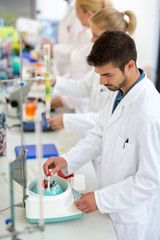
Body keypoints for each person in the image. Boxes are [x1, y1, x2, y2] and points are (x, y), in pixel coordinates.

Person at [43, 30, 160, 240]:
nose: (102, 82)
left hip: (132, 220)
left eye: (107, 75)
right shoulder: (119, 91)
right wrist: (66, 160)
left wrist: (100, 199)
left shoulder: (149, 114)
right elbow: (99, 134)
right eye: (99, 75)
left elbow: (150, 181)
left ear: (130, 65)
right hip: (111, 207)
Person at [47, 8, 136, 134]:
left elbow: (106, 119)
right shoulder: (103, 64)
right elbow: (83, 87)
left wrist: (66, 121)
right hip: (92, 135)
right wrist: (54, 81)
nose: (91, 40)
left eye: (95, 35)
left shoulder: (120, 75)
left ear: (113, 36)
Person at [41, 0, 83, 76]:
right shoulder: (69, 7)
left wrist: (53, 49)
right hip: (65, 74)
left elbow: (80, 48)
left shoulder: (80, 8)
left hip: (75, 74)